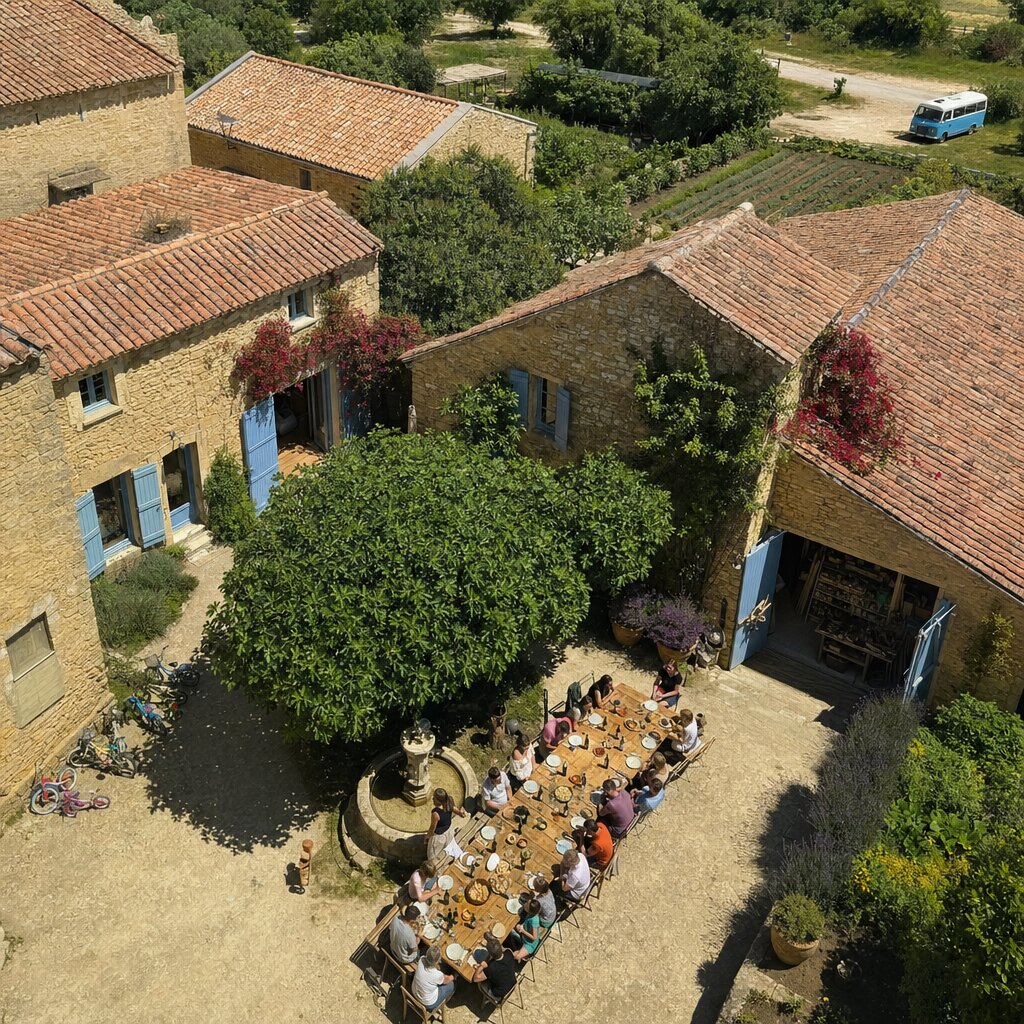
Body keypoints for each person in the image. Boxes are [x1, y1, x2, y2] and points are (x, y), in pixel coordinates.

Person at [425, 787, 467, 865]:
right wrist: (462, 813)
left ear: (439, 800)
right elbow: (457, 811)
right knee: (447, 847)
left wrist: (427, 837)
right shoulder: (449, 801)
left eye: (435, 798)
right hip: (449, 831)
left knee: (432, 855)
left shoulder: (435, 813)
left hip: (439, 837)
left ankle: (434, 869)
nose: (433, 799)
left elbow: (432, 828)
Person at [472, 935, 518, 1002]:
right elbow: (503, 949)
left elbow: (475, 979)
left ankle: (488, 996)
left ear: (490, 954)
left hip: (499, 994)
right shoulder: (509, 953)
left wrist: (481, 966)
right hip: (512, 984)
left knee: (480, 983)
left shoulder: (491, 967)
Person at [412, 945, 455, 1011]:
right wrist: (454, 975)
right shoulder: (437, 974)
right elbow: (447, 980)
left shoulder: (421, 959)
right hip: (428, 1003)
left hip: (415, 992)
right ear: (437, 961)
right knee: (451, 985)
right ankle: (442, 1004)